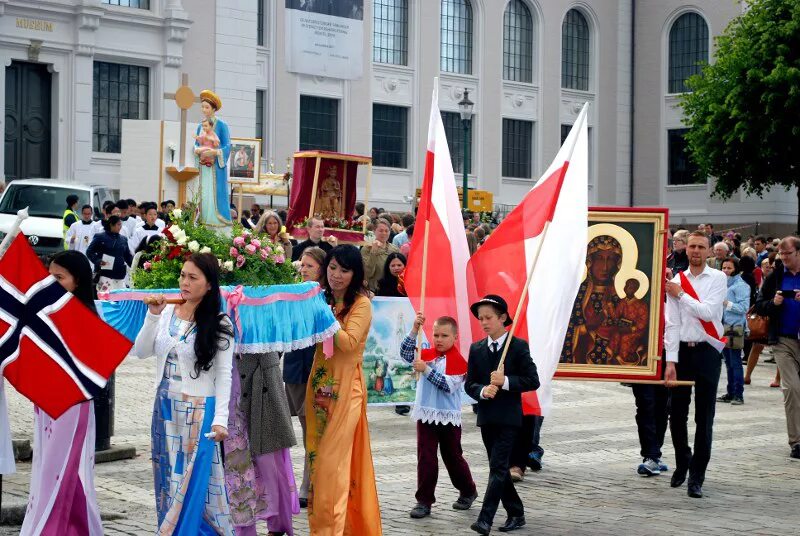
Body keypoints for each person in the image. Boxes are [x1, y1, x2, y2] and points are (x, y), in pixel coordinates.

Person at [133, 253, 235, 534]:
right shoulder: (166, 312)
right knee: (167, 479)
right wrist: (152, 317)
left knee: (192, 482)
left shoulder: (220, 323)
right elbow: (141, 351)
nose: (185, 282)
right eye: (182, 275)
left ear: (209, 284)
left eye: (193, 278)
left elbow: (225, 375)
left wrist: (221, 419)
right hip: (164, 407)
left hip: (200, 411)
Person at [19, 251, 103, 535]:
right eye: (49, 276)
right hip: (47, 403)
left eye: (59, 277)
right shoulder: (48, 311)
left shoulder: (86, 317)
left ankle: (56, 528)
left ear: (76, 282)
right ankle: (73, 527)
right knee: (47, 470)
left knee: (62, 469)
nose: (52, 283)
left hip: (72, 405)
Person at [305, 245, 382, 535]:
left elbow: (349, 343)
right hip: (319, 387)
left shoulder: (362, 304)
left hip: (346, 389)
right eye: (333, 267)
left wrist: (324, 315)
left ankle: (330, 531)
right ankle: (327, 527)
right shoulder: (321, 298)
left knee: (331, 465)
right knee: (317, 460)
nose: (336, 275)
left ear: (355, 274)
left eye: (344, 270)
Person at [465, 295, 539, 535]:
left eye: (488, 318)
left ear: (503, 318)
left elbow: (532, 380)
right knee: (497, 468)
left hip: (509, 418)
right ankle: (516, 512)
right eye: (480, 318)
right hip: (487, 417)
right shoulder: (476, 349)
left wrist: (505, 381)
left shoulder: (517, 346)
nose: (484, 322)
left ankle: (485, 519)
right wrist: (482, 390)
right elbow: (470, 383)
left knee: (498, 467)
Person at [664, 231, 727, 498]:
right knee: (676, 414)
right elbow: (672, 324)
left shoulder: (718, 278)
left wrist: (681, 295)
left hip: (707, 352)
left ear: (709, 250)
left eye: (701, 246)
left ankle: (697, 475)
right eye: (692, 246)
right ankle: (682, 462)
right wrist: (671, 361)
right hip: (684, 354)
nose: (696, 251)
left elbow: (708, 312)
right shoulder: (676, 280)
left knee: (704, 416)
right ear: (685, 250)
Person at [400, 313, 477, 519]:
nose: (439, 339)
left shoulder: (459, 361)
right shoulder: (426, 354)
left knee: (452, 456)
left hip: (449, 417)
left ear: (455, 338)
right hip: (426, 413)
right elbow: (406, 354)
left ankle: (468, 490)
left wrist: (425, 370)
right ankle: (424, 501)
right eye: (436, 335)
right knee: (425, 457)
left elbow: (447, 385)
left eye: (444, 335)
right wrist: (415, 329)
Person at [283, 247, 326, 509]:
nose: (303, 269)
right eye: (302, 265)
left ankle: (309, 483)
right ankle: (311, 479)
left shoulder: (326, 296)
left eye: (309, 266)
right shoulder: (293, 292)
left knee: (313, 428)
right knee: (304, 426)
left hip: (317, 368)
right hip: (295, 369)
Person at [754, 236, 800, 459]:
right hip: (783, 340)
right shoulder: (776, 275)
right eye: (781, 254)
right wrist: (774, 303)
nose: (783, 258)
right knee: (791, 389)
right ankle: (797, 441)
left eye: (788, 254)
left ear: (798, 253)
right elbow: (760, 305)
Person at [194, 90, 232, 225]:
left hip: (216, 167)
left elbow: (228, 146)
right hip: (204, 166)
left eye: (207, 107)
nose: (204, 110)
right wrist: (197, 150)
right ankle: (204, 219)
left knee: (215, 193)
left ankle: (218, 220)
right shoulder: (200, 126)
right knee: (204, 192)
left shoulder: (222, 125)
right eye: (202, 107)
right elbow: (196, 144)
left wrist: (215, 153)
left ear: (214, 109)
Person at [716, 258, 750, 405]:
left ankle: (738, 394)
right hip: (723, 326)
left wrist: (727, 303)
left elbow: (743, 308)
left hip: (734, 327)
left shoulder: (741, 285)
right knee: (728, 363)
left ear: (736, 269)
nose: (726, 270)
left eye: (729, 268)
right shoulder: (723, 284)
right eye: (724, 268)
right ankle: (730, 392)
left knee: (735, 362)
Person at [86, 215, 132, 294]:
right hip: (104, 274)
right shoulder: (100, 237)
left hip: (119, 275)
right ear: (111, 224)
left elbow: (127, 256)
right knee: (105, 299)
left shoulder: (123, 239)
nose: (120, 227)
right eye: (118, 224)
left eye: (121, 224)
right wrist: (98, 260)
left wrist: (136, 266)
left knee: (120, 300)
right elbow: (89, 251)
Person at [361, 218, 399, 292]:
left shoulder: (395, 249)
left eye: (386, 231)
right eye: (381, 231)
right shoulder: (366, 249)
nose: (384, 233)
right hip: (374, 290)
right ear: (374, 231)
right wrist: (374, 251)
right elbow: (368, 273)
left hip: (392, 290)